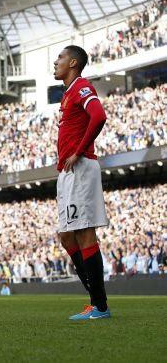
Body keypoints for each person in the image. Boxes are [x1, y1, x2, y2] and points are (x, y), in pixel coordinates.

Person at [53, 45, 110, 320]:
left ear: (73, 62)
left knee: (85, 233)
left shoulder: (82, 87)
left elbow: (99, 116)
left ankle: (100, 306)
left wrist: (79, 151)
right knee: (66, 236)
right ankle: (95, 301)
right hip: (66, 171)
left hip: (80, 167)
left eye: (60, 57)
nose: (56, 61)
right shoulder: (68, 94)